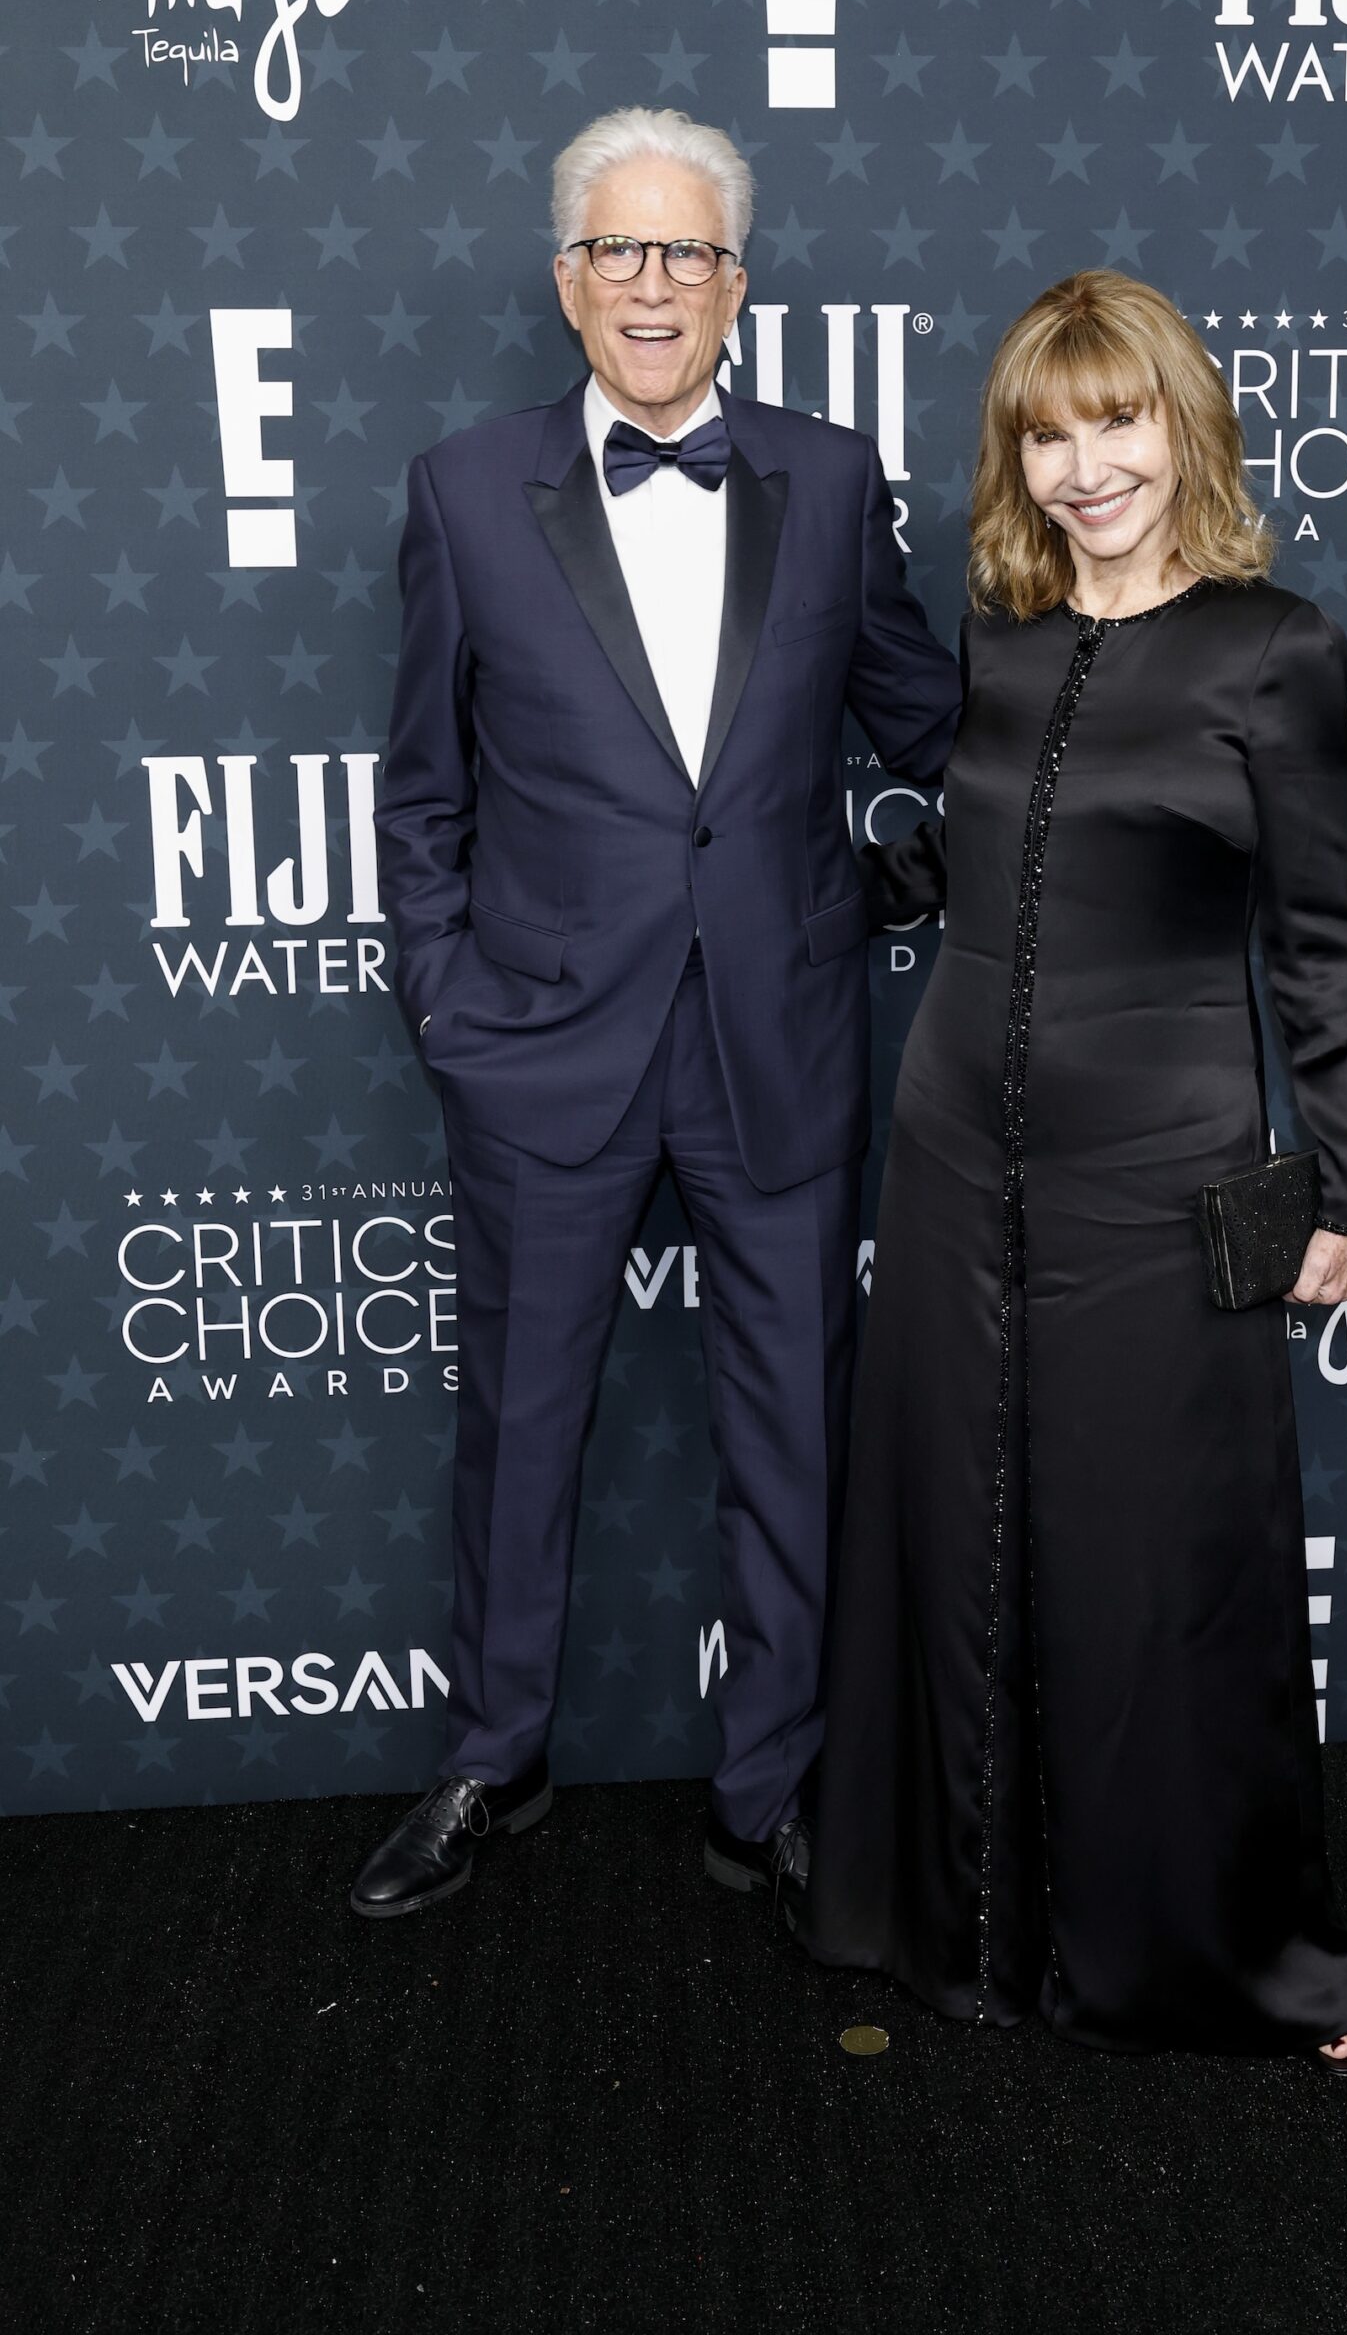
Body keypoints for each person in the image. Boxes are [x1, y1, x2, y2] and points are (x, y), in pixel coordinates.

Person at [352, 106, 961, 1922]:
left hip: (777, 1035)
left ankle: (771, 1787)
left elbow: (924, 719)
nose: (652, 285)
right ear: (565, 282)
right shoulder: (467, 488)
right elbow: (417, 792)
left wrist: (928, 844)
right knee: (519, 1429)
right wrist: (452, 1005)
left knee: (793, 1434)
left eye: (687, 254)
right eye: (619, 251)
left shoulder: (835, 482)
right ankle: (490, 1759)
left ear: (738, 289)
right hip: (543, 1046)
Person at [804, 270, 1347, 2075]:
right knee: (962, 1538)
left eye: (1117, 422)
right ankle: (964, 1930)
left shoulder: (1274, 646)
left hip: (1162, 1169)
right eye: (1048, 437)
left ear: (1184, 424)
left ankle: (1247, 1962)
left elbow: (1313, 944)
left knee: (1164, 1572)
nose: (1085, 468)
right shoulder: (996, 638)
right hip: (957, 1153)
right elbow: (981, 873)